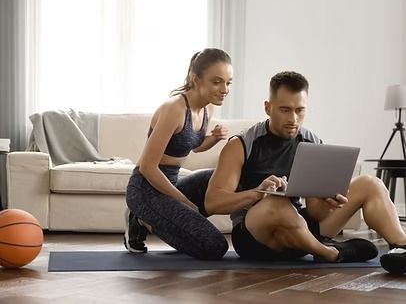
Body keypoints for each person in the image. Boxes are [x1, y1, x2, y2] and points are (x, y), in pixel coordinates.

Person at [205, 71, 406, 272]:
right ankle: (329, 253)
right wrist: (258, 193)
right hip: (256, 237)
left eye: (300, 110)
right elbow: (213, 202)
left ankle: (401, 248)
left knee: (371, 184)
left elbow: (315, 213)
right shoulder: (241, 144)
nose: (293, 119)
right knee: (276, 203)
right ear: (268, 107)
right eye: (285, 110)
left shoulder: (312, 142)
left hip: (299, 229)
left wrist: (328, 203)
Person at [124, 48, 233, 260]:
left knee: (224, 176)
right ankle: (141, 219)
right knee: (214, 246)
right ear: (197, 80)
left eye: (229, 82)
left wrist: (213, 138)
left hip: (171, 185)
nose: (225, 89)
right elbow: (147, 167)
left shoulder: (208, 108)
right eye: (217, 81)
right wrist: (186, 203)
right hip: (146, 189)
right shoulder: (174, 109)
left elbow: (193, 146)